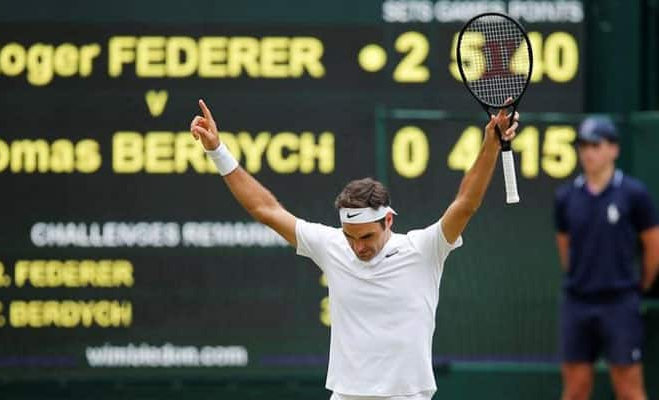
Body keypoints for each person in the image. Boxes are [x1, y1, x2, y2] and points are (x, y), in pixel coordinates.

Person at [190, 99, 518, 400]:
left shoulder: (424, 249)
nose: (357, 246)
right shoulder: (332, 245)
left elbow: (465, 204)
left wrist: (490, 144)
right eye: (351, 237)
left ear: (388, 220)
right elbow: (266, 210)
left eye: (366, 237)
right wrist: (218, 151)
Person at [554, 116, 659, 400]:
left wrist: (640, 286)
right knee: (575, 388)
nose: (588, 152)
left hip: (620, 302)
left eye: (595, 145)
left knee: (629, 389)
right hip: (578, 301)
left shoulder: (634, 194)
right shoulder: (566, 197)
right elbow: (565, 248)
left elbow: (653, 246)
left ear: (613, 149)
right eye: (583, 146)